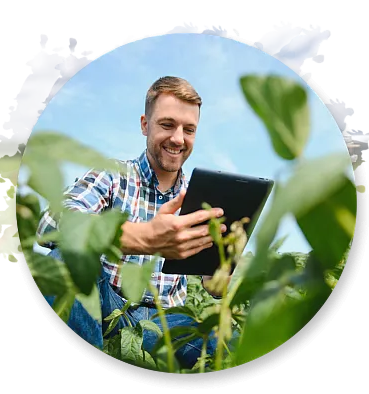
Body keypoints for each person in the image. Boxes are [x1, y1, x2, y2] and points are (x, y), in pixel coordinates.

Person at [37, 76, 234, 369]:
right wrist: (140, 237)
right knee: (65, 259)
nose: (178, 138)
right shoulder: (113, 175)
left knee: (231, 344)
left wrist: (219, 278)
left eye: (189, 129)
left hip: (167, 321)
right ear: (145, 124)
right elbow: (50, 222)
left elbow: (214, 284)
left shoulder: (199, 198)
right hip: (107, 304)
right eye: (167, 124)